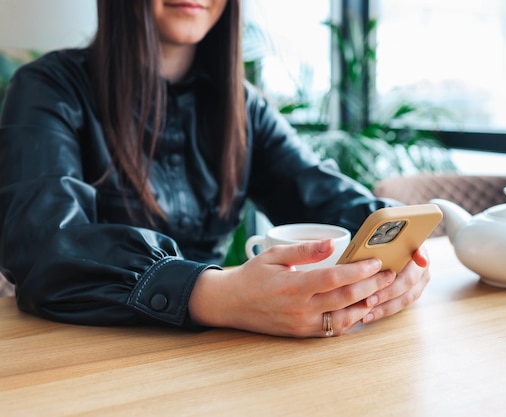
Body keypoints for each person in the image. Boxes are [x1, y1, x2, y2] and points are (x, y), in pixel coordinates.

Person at [0, 0, 430, 337]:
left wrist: (397, 252)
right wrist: (217, 295)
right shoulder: (48, 88)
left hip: (223, 355)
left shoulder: (243, 106)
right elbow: (44, 247)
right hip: (90, 359)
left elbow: (324, 194)